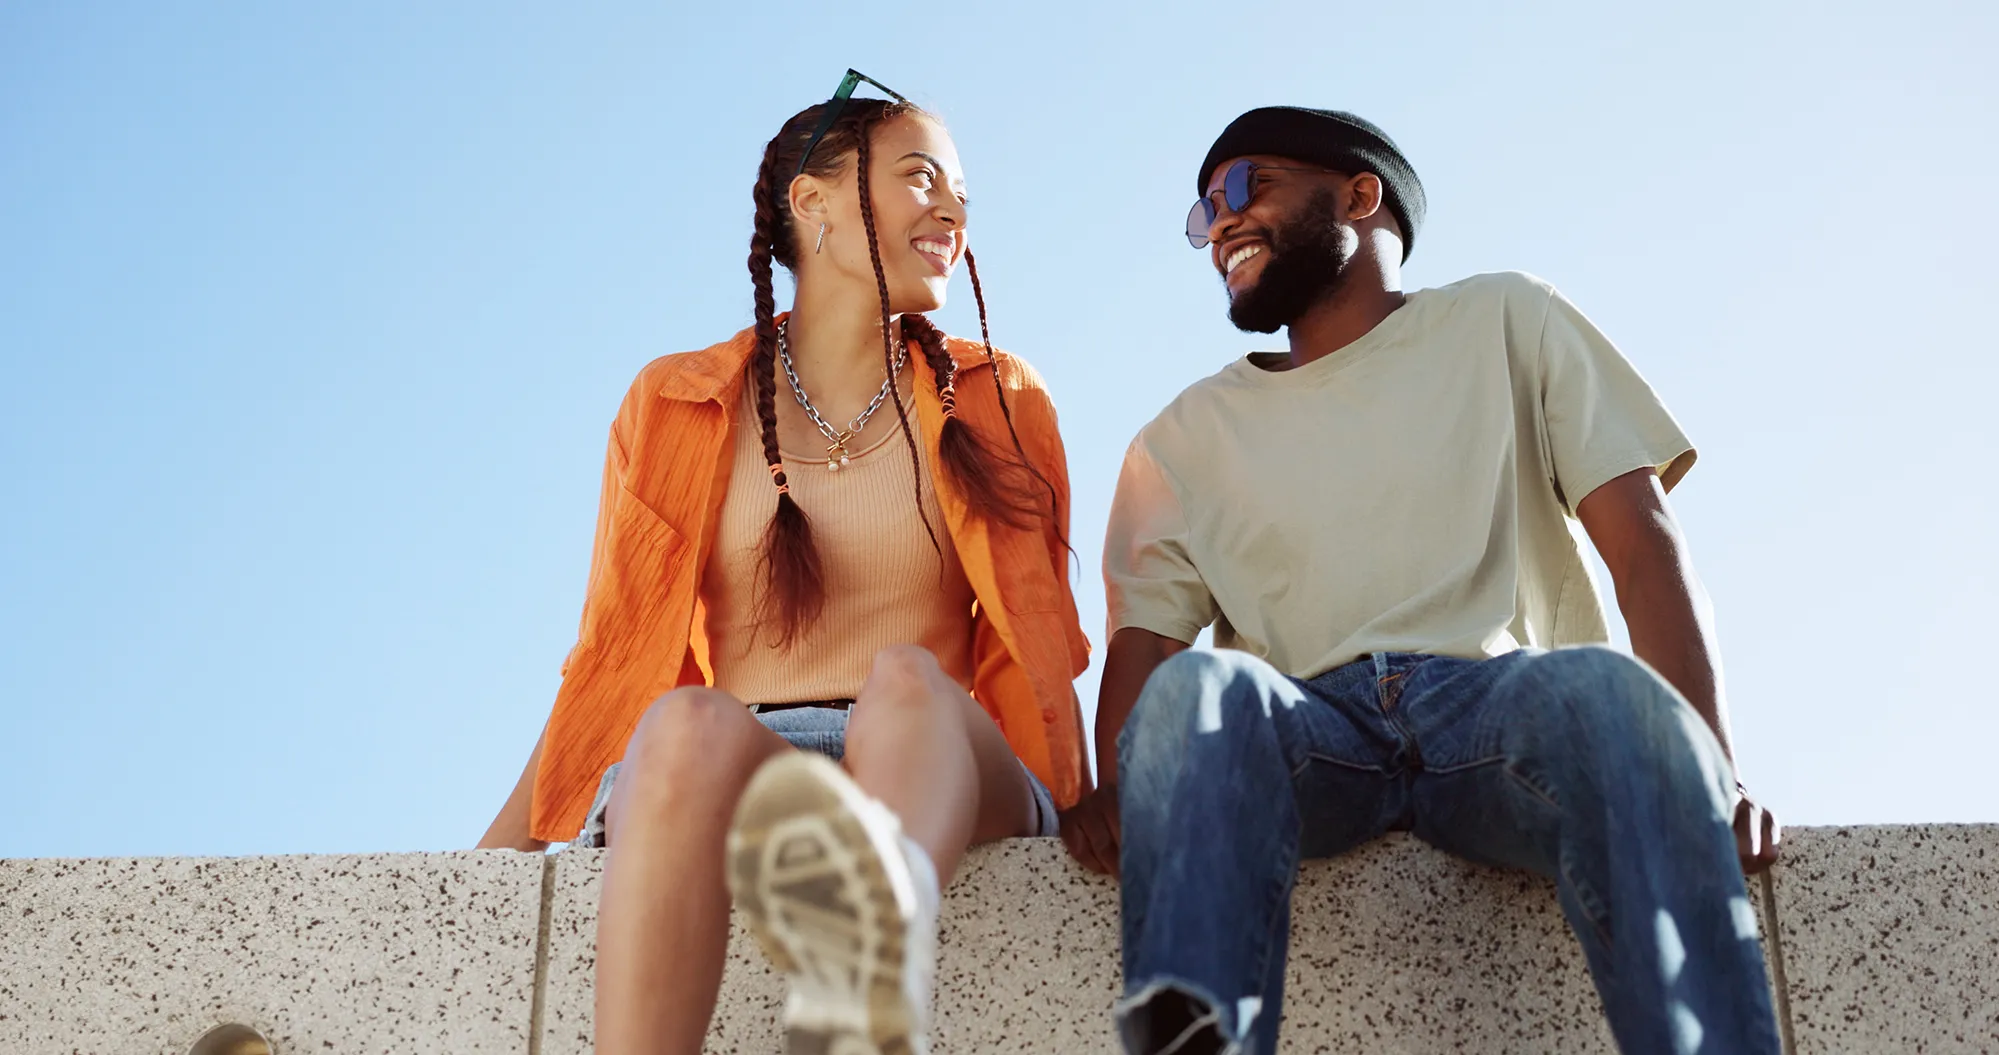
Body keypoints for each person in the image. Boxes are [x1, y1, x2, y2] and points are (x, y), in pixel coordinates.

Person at [1061, 106, 1784, 1055]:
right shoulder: (1179, 439)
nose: (1220, 224)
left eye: (1245, 187)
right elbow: (1147, 649)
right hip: (1307, 726)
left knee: (1611, 693)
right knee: (1201, 690)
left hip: (1499, 709)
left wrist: (1706, 773)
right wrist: (1127, 789)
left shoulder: (1507, 317)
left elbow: (1644, 542)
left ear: (1361, 195)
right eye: (1204, 213)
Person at [476, 72, 1090, 1055]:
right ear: (813, 205)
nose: (952, 210)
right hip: (755, 764)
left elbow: (1037, 637)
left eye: (963, 193)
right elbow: (611, 647)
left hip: (937, 766)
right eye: (921, 177)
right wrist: (503, 845)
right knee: (677, 724)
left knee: (907, 679)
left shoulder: (995, 394)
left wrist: (1084, 808)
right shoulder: (671, 401)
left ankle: (867, 952)